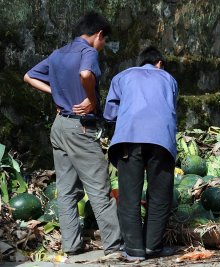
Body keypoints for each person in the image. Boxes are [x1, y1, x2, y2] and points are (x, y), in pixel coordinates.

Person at [23, 12, 121, 255]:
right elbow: (85, 75)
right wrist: (90, 98)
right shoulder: (88, 52)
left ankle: (71, 245)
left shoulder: (58, 53)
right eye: (104, 40)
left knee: (66, 190)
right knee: (98, 186)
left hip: (59, 126)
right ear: (98, 34)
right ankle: (115, 245)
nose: (103, 45)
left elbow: (28, 76)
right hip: (80, 127)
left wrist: (55, 94)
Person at [103, 46, 178, 262]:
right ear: (160, 63)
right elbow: (170, 108)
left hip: (129, 139)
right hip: (161, 141)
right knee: (159, 195)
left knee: (129, 196)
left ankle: (134, 251)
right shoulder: (169, 79)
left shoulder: (122, 77)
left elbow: (110, 113)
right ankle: (153, 247)